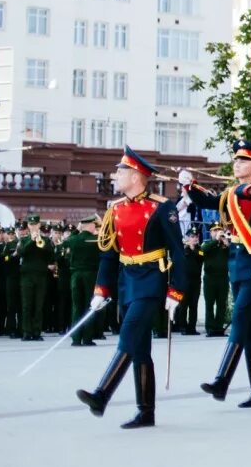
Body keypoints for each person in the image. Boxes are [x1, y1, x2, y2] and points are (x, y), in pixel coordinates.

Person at [75, 146, 186, 429]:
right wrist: (101, 289)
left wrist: (176, 291)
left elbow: (178, 252)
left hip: (151, 280)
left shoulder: (162, 207)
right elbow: (109, 254)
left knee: (128, 335)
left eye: (120, 171)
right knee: (140, 349)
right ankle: (145, 412)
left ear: (136, 175)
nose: (115, 175)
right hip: (127, 281)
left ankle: (102, 394)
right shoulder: (115, 209)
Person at [181, 139, 251, 408]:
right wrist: (188, 184)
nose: (237, 164)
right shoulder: (232, 193)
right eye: (235, 160)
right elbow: (208, 200)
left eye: (243, 161)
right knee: (248, 329)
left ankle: (222, 379)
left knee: (239, 317)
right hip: (236, 263)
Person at [64, 215, 102, 346]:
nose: (95, 227)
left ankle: (75, 338)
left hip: (75, 275)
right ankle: (87, 338)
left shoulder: (74, 239)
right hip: (90, 275)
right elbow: (106, 240)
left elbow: (66, 242)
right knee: (89, 305)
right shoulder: (95, 239)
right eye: (94, 225)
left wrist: (76, 230)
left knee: (76, 306)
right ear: (90, 225)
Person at [17, 214, 54, 341]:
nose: (33, 226)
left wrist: (41, 242)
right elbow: (21, 253)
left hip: (41, 275)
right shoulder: (23, 240)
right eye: (31, 224)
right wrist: (32, 241)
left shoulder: (46, 240)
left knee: (39, 305)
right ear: (28, 226)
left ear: (39, 225)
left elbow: (51, 255)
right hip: (27, 276)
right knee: (27, 305)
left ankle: (37, 331)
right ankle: (27, 332)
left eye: (35, 224)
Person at [201, 223, 230, 337]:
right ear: (211, 232)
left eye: (219, 230)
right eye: (215, 230)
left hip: (223, 277)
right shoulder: (208, 243)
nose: (217, 232)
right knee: (210, 304)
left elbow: (231, 253)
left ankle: (219, 327)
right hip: (210, 278)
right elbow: (203, 250)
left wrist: (226, 243)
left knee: (222, 304)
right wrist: (216, 240)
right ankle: (210, 328)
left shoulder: (224, 244)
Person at [175, 229, 204, 336]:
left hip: (196, 281)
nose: (195, 238)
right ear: (187, 238)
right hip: (185, 281)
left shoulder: (200, 249)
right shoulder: (183, 249)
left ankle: (192, 327)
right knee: (184, 304)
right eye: (192, 236)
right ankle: (182, 326)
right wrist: (188, 248)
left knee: (193, 305)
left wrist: (193, 248)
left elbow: (201, 257)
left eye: (196, 236)